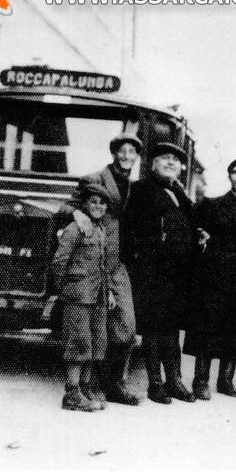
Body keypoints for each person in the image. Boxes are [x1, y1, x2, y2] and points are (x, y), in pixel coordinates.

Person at [56, 133, 143, 406]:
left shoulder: (133, 185)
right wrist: (77, 214)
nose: (127, 156)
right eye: (122, 151)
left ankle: (114, 383)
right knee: (88, 332)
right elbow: (66, 206)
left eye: (132, 152)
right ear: (114, 152)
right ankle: (86, 386)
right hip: (93, 264)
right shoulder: (95, 179)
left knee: (126, 329)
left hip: (116, 264)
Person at [183, 158, 236, 400]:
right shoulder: (212, 205)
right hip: (213, 280)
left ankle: (225, 382)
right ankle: (201, 382)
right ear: (229, 176)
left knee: (235, 331)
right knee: (207, 329)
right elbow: (197, 236)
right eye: (235, 173)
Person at [123, 142, 198, 404]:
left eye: (175, 160)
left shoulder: (179, 191)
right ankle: (155, 385)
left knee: (172, 329)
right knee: (154, 330)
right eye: (164, 159)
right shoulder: (142, 190)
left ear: (181, 166)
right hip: (152, 273)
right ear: (152, 164)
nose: (170, 163)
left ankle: (174, 381)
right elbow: (132, 231)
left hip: (177, 275)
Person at [51, 184, 120, 412]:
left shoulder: (99, 230)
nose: (98, 206)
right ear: (84, 205)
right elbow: (59, 261)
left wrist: (108, 291)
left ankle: (85, 388)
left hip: (97, 295)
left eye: (102, 203)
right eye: (93, 202)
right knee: (77, 343)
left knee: (95, 342)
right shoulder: (75, 228)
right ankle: (71, 393)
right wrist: (66, 289)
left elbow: (102, 266)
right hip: (79, 296)